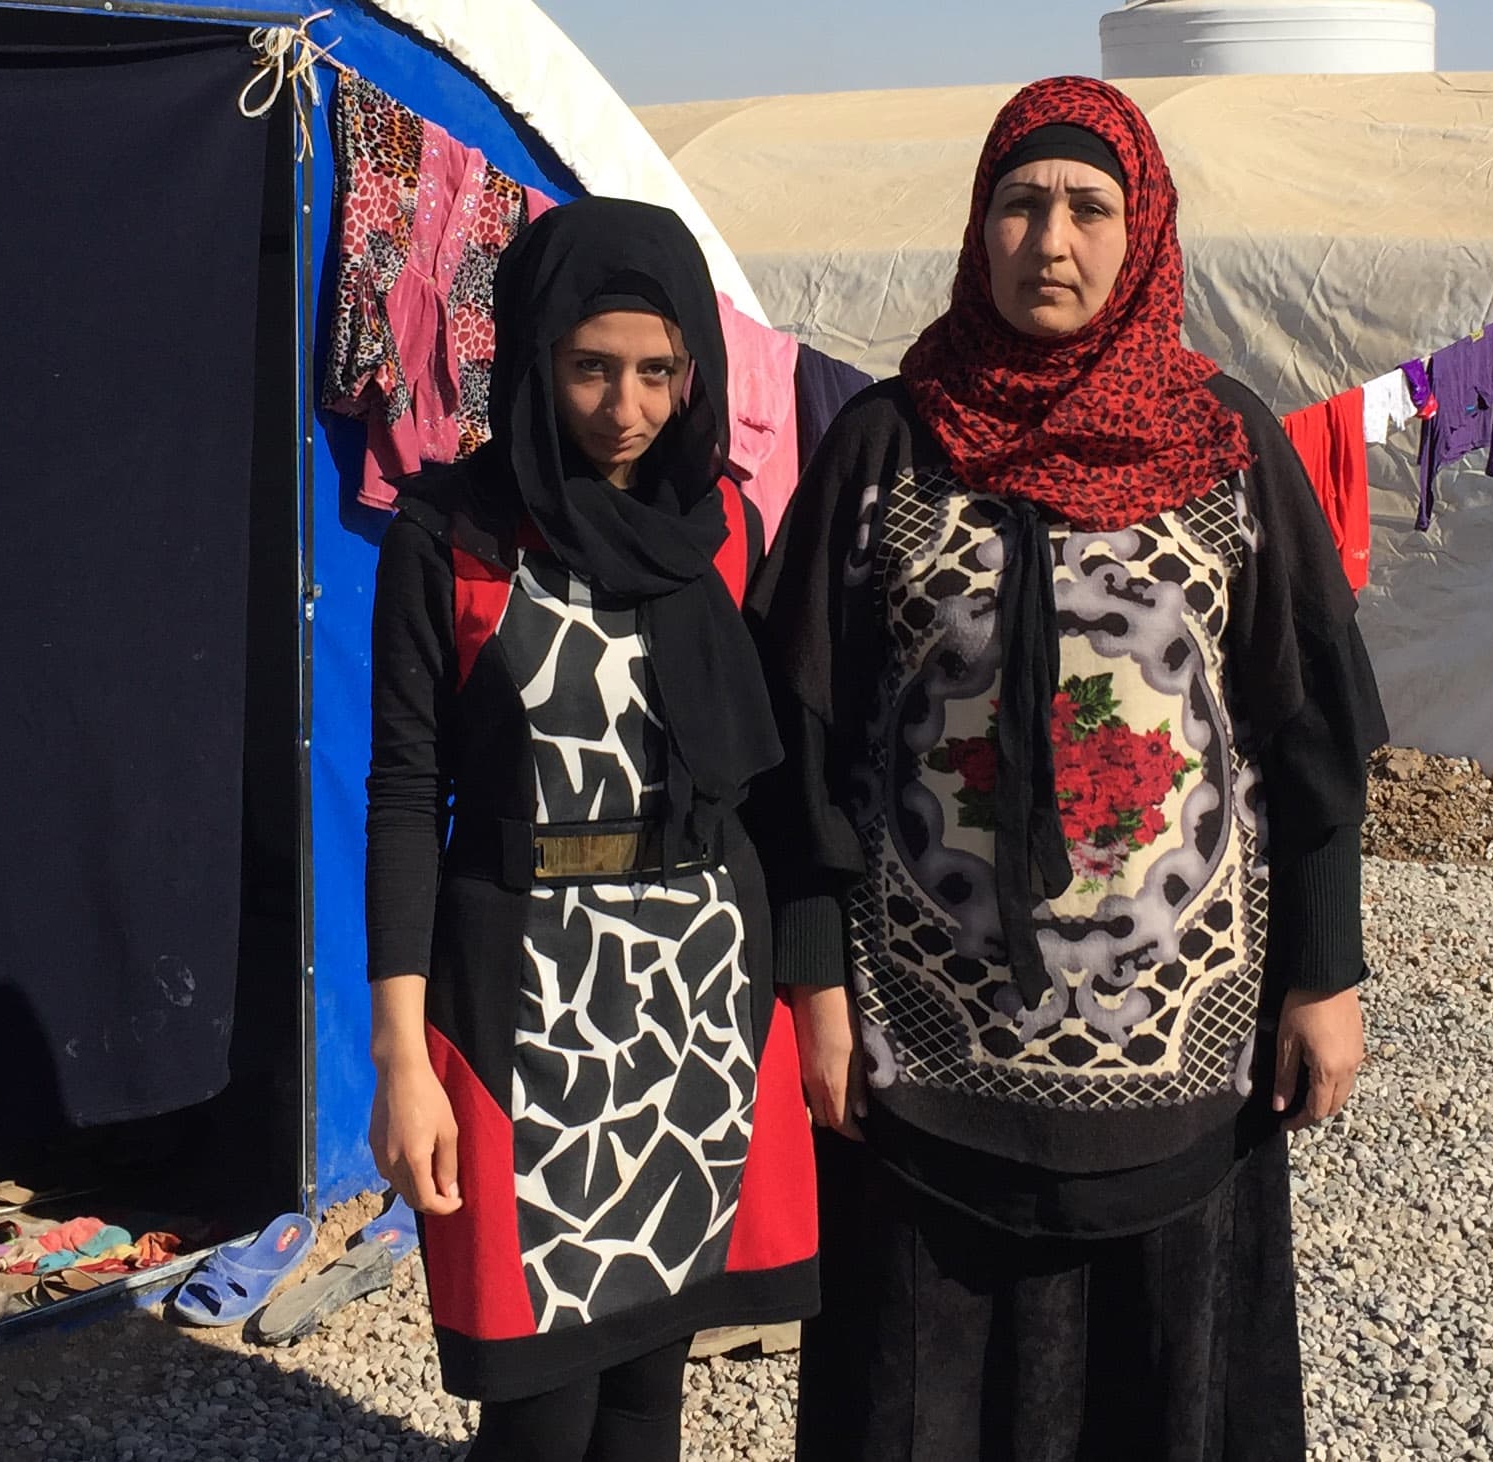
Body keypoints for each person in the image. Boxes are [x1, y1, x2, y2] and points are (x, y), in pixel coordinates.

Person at [752, 77, 1385, 1461]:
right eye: (1020, 204)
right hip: (929, 1054)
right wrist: (814, 991)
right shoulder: (884, 447)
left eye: (1090, 207)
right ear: (977, 230)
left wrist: (1324, 978)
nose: (1053, 237)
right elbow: (797, 751)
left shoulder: (1227, 450)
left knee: (1161, 1395)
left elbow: (1310, 741)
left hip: (1182, 1061)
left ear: (1142, 229)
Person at [362, 199, 817, 1462]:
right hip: (527, 1002)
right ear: (532, 358)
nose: (627, 406)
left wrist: (807, 996)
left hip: (702, 995)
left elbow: (773, 785)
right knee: (538, 1397)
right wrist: (400, 1057)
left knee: (649, 1383)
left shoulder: (722, 530)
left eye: (659, 371)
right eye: (590, 368)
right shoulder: (452, 536)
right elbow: (405, 792)